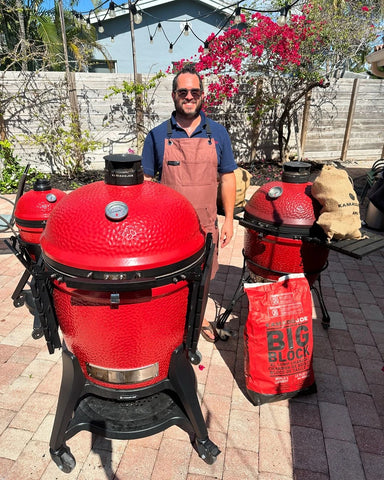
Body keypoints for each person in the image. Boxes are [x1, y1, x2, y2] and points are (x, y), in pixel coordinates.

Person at [141, 64, 237, 342]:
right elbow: (147, 182)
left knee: (205, 276)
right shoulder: (158, 135)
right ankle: (172, 321)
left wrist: (229, 218)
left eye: (195, 91)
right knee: (170, 279)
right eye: (183, 91)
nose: (189, 96)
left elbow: (228, 177)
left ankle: (199, 317)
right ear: (173, 95)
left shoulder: (218, 134)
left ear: (202, 95)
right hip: (169, 227)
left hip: (206, 223)